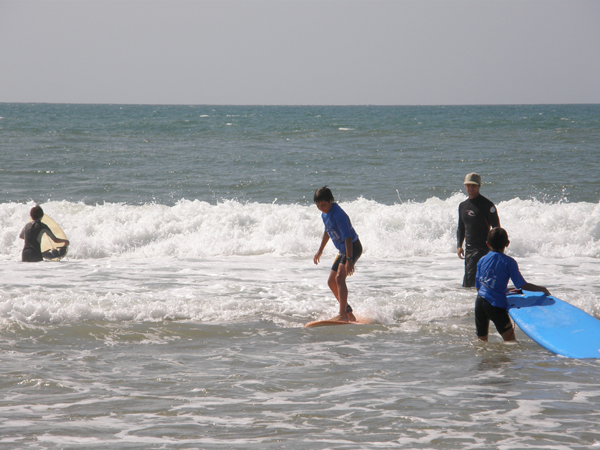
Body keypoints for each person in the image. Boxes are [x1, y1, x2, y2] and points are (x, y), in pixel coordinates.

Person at [475, 227, 550, 342]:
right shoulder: (509, 262)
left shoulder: (482, 260)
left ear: (487, 244)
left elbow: (479, 286)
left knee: (482, 343)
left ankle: (483, 360)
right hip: (495, 306)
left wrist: (502, 290)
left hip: (479, 303)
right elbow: (522, 285)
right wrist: (542, 289)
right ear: (507, 243)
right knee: (511, 343)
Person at [313, 186, 363, 322]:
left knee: (340, 277)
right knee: (331, 281)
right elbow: (327, 231)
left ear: (331, 201)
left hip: (352, 247)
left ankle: (342, 315)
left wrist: (349, 260)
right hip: (343, 250)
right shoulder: (325, 214)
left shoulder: (339, 214)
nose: (321, 208)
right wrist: (320, 250)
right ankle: (347, 312)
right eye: (318, 206)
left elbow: (347, 237)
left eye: (323, 204)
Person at [457, 173, 500, 287]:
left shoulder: (487, 205)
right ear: (465, 186)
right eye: (468, 185)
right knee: (469, 280)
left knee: (469, 281)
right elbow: (461, 228)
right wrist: (459, 245)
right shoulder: (462, 206)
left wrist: (497, 250)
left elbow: (497, 229)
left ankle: (472, 301)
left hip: (483, 248)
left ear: (479, 186)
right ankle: (472, 301)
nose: (471, 188)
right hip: (468, 249)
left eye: (474, 186)